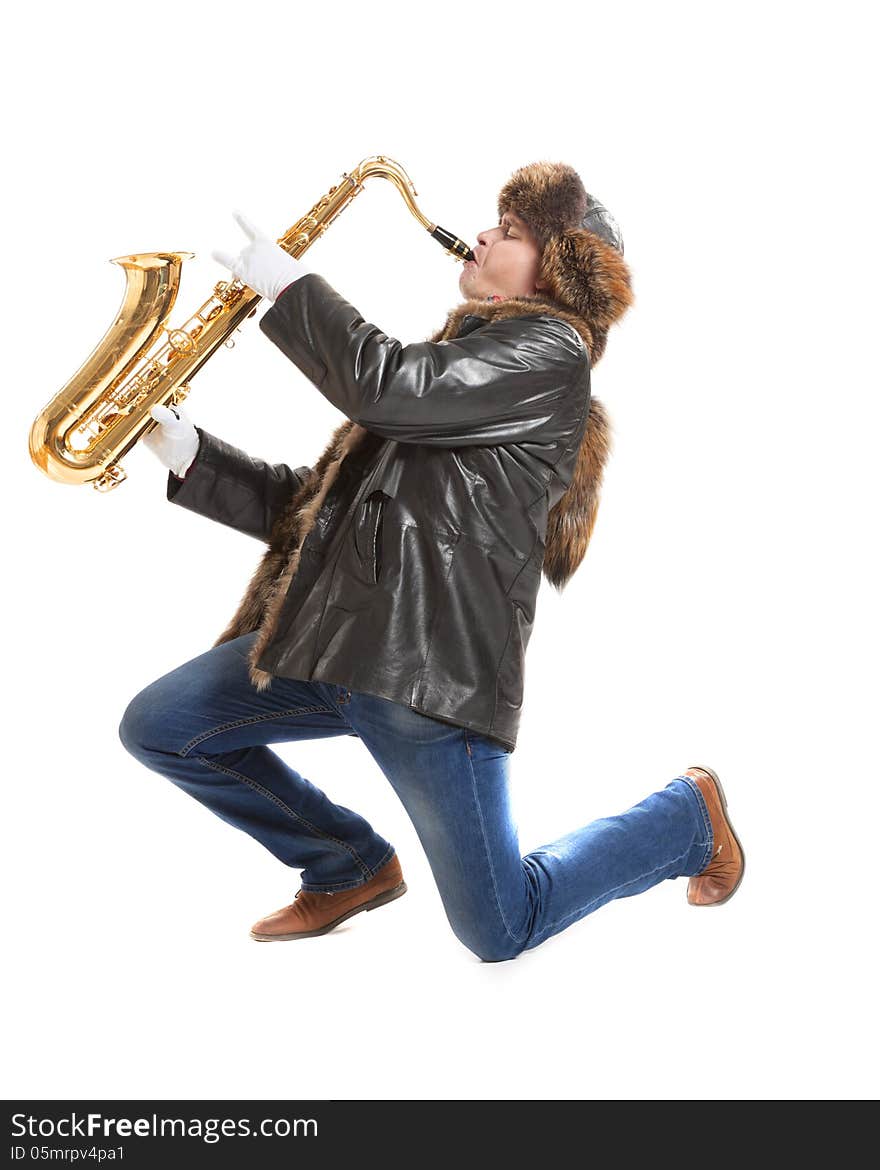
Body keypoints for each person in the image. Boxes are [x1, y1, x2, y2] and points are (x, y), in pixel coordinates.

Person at [118, 161, 745, 962]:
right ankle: (345, 863)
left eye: (512, 231)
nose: (484, 234)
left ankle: (685, 817)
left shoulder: (551, 351)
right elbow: (323, 513)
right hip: (335, 647)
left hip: (424, 679)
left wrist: (293, 289)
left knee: (499, 927)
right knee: (161, 727)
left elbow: (387, 387)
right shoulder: (465, 366)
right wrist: (190, 456)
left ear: (557, 271)